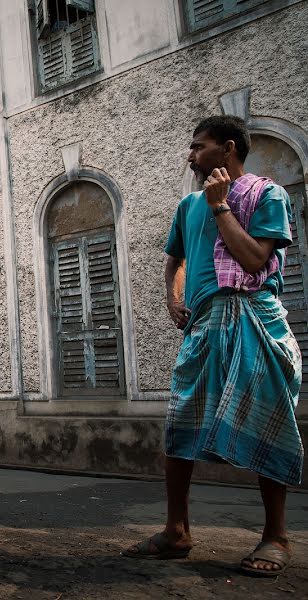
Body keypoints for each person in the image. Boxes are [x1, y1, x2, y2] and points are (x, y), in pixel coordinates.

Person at [123, 116, 303, 576]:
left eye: (197, 147)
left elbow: (254, 258)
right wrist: (173, 297)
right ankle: (176, 530)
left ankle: (276, 537)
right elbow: (174, 262)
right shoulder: (188, 206)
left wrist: (222, 206)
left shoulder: (267, 195)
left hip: (254, 319)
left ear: (227, 150)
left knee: (269, 423)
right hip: (203, 326)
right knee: (180, 426)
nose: (190, 155)